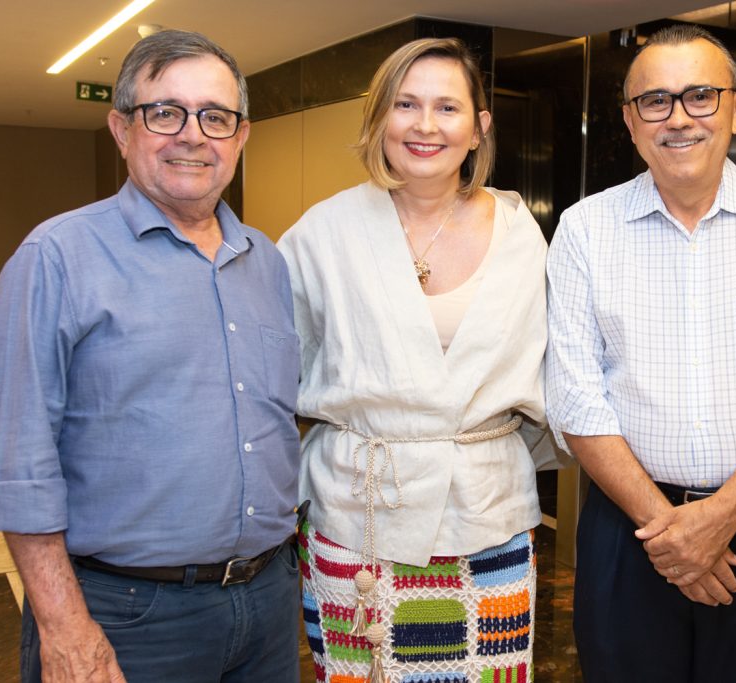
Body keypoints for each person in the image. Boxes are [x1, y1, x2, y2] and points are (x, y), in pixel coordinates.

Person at [0, 30, 301, 682]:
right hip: (127, 615)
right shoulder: (57, 257)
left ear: (241, 135)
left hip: (266, 602)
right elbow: (15, 464)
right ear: (121, 129)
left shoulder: (268, 262)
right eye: (165, 112)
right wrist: (62, 624)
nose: (193, 134)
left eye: (216, 116)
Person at [546, 24, 736, 682]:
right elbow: (575, 398)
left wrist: (718, 519)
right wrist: (673, 532)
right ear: (630, 121)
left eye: (700, 96)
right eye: (655, 101)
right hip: (630, 535)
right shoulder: (584, 230)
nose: (678, 118)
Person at [279, 37, 560, 683]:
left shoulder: (522, 235)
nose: (425, 125)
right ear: (379, 119)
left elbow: (553, 369)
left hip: (487, 519)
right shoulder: (323, 233)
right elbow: (272, 372)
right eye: (405, 104)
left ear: (479, 126)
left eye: (447, 107)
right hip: (357, 515)